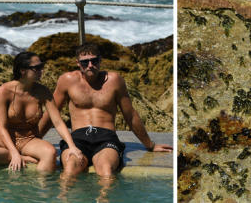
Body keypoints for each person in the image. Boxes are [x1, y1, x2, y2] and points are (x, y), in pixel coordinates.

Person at [46, 42, 172, 177]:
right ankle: (64, 198)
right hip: (77, 138)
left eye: (94, 61)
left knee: (106, 171)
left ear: (100, 60)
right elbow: (51, 114)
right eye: (85, 62)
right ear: (78, 63)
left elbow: (130, 115)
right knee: (70, 169)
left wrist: (150, 145)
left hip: (106, 138)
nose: (90, 65)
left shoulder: (114, 81)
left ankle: (105, 199)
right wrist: (32, 139)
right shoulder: (67, 80)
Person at [0, 51, 84, 172]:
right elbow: (2, 128)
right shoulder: (4, 91)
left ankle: (41, 189)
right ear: (23, 70)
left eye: (41, 66)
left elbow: (58, 122)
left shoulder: (43, 91)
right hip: (6, 140)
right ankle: (24, 158)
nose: (41, 71)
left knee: (50, 153)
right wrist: (14, 154)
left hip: (30, 139)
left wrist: (72, 146)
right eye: (37, 68)